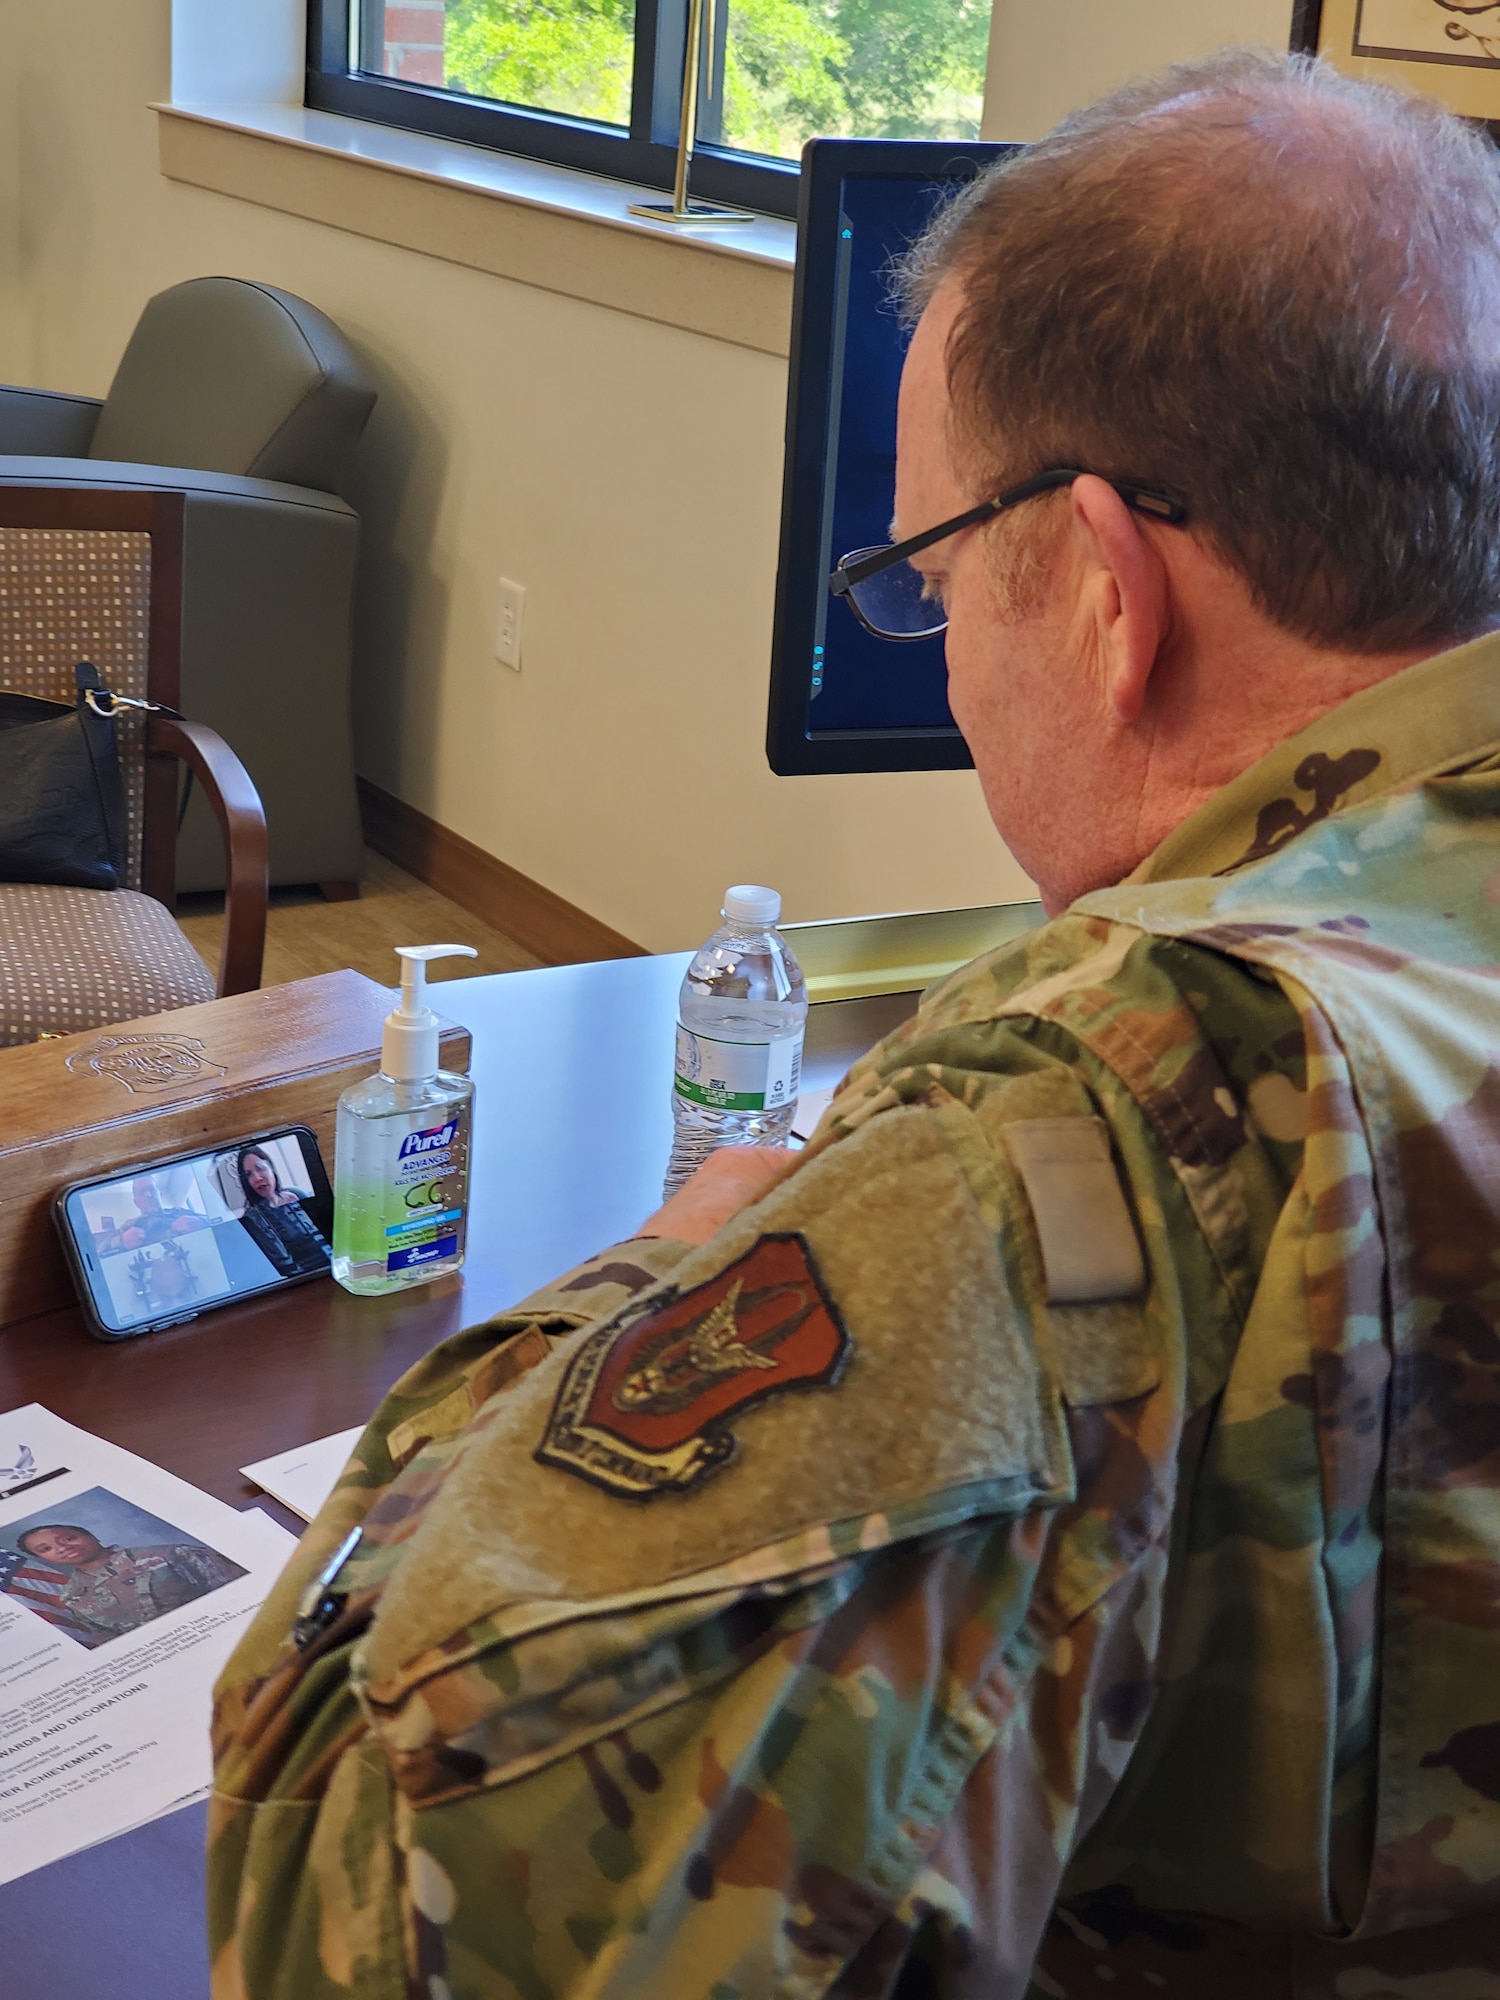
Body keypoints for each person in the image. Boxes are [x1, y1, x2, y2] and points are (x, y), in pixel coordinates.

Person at [207, 51, 1500, 1998]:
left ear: (1106, 594)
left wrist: (639, 1279)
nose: (949, 656)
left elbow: (365, 1909)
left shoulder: (1098, 1111)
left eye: (934, 575)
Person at [15, 1524, 246, 1649]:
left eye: (67, 1538)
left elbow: (241, 1593)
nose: (62, 1547)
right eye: (46, 1549)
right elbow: (112, 1645)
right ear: (45, 1560)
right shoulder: (72, 1598)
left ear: (91, 1535)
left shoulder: (171, 1554)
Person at [234, 1144, 330, 1277]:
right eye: (249, 1175)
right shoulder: (252, 1218)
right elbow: (281, 1267)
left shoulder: (297, 1193)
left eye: (260, 1168)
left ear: (271, 1168)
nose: (257, 1178)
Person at [93, 1176, 207, 1256]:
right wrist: (122, 1242)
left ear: (160, 1194)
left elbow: (217, 1222)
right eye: (141, 1192)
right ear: (136, 1202)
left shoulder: (179, 1212)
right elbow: (101, 1254)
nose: (148, 1195)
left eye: (151, 1189)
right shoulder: (128, 1226)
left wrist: (201, 1222)